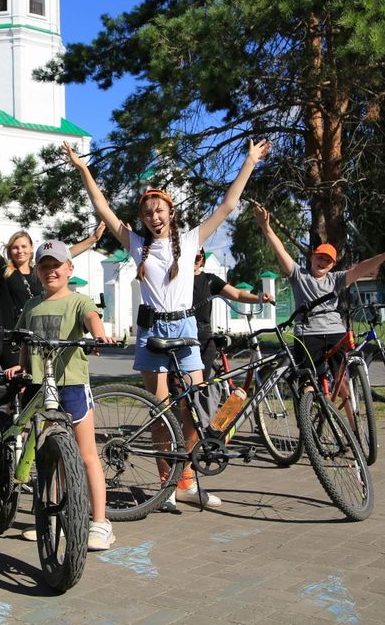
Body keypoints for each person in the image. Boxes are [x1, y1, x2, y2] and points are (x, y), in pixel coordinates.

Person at [63, 138, 270, 510]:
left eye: (159, 211)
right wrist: (82, 169)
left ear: (170, 212)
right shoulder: (136, 244)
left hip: (186, 330)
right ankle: (166, 486)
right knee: (159, 410)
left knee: (193, 407)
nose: (153, 217)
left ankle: (187, 480)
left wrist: (251, 160)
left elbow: (228, 205)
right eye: (147, 213)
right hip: (151, 332)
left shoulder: (190, 241)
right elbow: (102, 208)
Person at [4, 240, 118, 550]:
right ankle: (53, 518)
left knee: (86, 454)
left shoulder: (79, 301)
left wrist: (100, 333)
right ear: (37, 271)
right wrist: (21, 366)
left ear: (69, 268)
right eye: (44, 265)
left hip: (72, 386)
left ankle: (99, 522)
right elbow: (25, 340)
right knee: (48, 457)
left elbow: (92, 319)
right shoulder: (31, 306)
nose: (50, 270)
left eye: (56, 265)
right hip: (41, 388)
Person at [252, 203, 385, 377]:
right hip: (308, 333)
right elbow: (280, 250)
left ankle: (349, 404)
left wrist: (384, 256)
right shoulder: (298, 274)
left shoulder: (336, 279)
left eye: (328, 260)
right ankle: (309, 399)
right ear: (312, 257)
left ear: (333, 264)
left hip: (335, 332)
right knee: (309, 382)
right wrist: (266, 227)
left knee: (343, 382)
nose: (323, 262)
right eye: (320, 257)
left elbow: (360, 268)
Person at [0, 192, 105, 369]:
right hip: (11, 339)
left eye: (24, 246)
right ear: (10, 250)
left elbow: (66, 254)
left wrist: (93, 239)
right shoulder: (5, 271)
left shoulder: (41, 271)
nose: (20, 251)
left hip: (37, 336)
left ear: (32, 248)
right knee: (21, 384)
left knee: (39, 384)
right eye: (15, 248)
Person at [192, 247, 273, 381]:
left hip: (203, 332)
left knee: (202, 381)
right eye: (190, 257)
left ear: (202, 259)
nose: (194, 261)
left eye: (197, 258)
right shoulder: (178, 279)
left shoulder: (209, 279)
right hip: (183, 330)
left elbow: (237, 293)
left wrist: (259, 298)